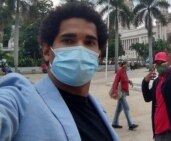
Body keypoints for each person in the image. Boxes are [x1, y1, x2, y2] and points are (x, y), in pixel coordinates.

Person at [0, 2, 119, 141]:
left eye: (89, 42)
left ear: (98, 54)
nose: (80, 49)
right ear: (46, 51)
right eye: (68, 40)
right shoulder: (20, 99)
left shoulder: (98, 109)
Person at [141, 52, 171, 141]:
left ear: (168, 63)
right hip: (160, 129)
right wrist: (145, 82)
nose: (159, 65)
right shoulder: (157, 82)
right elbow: (147, 98)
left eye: (161, 63)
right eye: (157, 63)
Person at [111, 61, 138, 130]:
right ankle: (130, 124)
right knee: (126, 108)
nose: (127, 65)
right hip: (121, 93)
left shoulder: (124, 71)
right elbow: (116, 81)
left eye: (127, 64)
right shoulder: (120, 71)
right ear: (122, 65)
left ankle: (114, 123)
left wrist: (129, 81)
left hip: (124, 92)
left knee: (118, 109)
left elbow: (124, 79)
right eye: (126, 64)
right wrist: (114, 91)